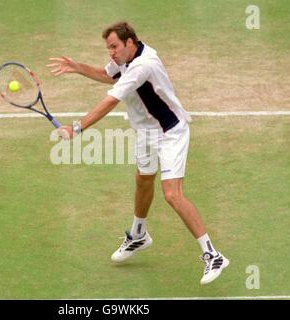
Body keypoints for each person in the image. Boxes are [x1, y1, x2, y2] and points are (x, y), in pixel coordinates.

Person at [47, 21, 229, 285]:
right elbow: (109, 75)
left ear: (129, 43)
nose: (111, 52)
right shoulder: (126, 59)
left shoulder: (144, 64)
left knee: (172, 194)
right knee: (143, 180)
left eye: (114, 47)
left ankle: (213, 255)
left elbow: (111, 100)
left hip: (170, 133)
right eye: (108, 47)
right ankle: (139, 235)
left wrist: (77, 128)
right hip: (146, 131)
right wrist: (78, 68)